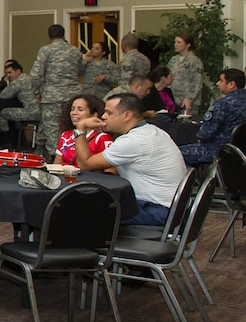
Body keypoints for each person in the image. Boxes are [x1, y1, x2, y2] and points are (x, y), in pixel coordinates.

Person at [74, 92, 188, 226]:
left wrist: (80, 129)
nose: (103, 117)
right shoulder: (152, 131)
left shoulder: (134, 141)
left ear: (127, 115)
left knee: (81, 211)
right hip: (174, 209)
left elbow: (85, 164)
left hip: (158, 211)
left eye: (109, 113)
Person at [30, 25, 84, 155]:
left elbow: (35, 75)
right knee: (70, 128)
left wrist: (37, 92)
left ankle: (55, 160)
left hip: (51, 98)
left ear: (49, 36)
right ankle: (73, 156)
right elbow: (81, 71)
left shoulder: (46, 50)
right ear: (63, 34)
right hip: (72, 97)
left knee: (53, 132)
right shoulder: (75, 51)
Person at [180, 68, 246, 166]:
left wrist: (201, 137)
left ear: (231, 84)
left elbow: (205, 134)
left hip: (219, 150)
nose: (217, 83)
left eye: (221, 80)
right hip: (242, 151)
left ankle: (191, 180)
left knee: (176, 154)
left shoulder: (222, 104)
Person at [54, 94, 112, 166]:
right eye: (72, 109)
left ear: (94, 115)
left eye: (80, 109)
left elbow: (110, 171)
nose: (74, 113)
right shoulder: (65, 135)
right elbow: (56, 165)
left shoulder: (102, 138)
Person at [169, 34, 205, 113]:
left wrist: (189, 98)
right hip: (173, 99)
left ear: (188, 45)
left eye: (179, 42)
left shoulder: (195, 61)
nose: (175, 44)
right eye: (175, 42)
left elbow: (197, 82)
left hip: (187, 102)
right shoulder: (174, 59)